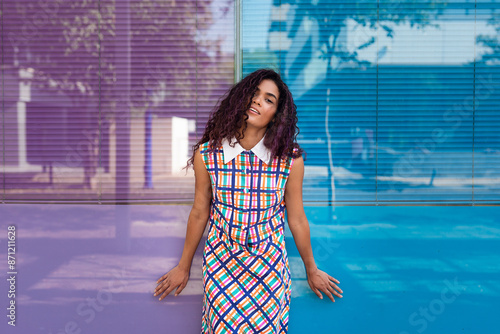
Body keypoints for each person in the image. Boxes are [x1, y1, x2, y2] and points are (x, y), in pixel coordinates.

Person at [153, 69, 343, 333]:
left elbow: (297, 218)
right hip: (221, 269)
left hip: (269, 271)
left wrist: (311, 269)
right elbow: (199, 212)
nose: (257, 101)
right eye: (253, 94)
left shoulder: (290, 160)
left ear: (276, 114)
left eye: (269, 99)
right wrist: (183, 267)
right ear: (240, 99)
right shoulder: (207, 154)